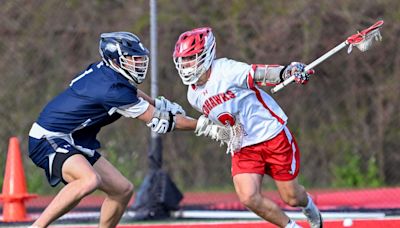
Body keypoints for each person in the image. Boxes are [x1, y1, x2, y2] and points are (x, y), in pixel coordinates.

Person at [28, 31, 197, 228]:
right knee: (88, 180)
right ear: (115, 59)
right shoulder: (111, 90)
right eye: (132, 59)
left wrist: (156, 103)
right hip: (48, 138)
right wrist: (203, 125)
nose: (139, 64)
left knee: (122, 190)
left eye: (140, 59)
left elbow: (130, 91)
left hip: (74, 138)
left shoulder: (106, 73)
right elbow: (161, 121)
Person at [172, 27, 323, 228]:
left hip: (271, 135)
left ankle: (311, 208)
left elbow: (259, 73)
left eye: (191, 58)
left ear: (206, 54)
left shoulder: (226, 70)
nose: (186, 65)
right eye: (183, 59)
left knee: (292, 197)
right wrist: (224, 132)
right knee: (248, 197)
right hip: (244, 146)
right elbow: (222, 120)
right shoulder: (193, 96)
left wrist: (287, 71)